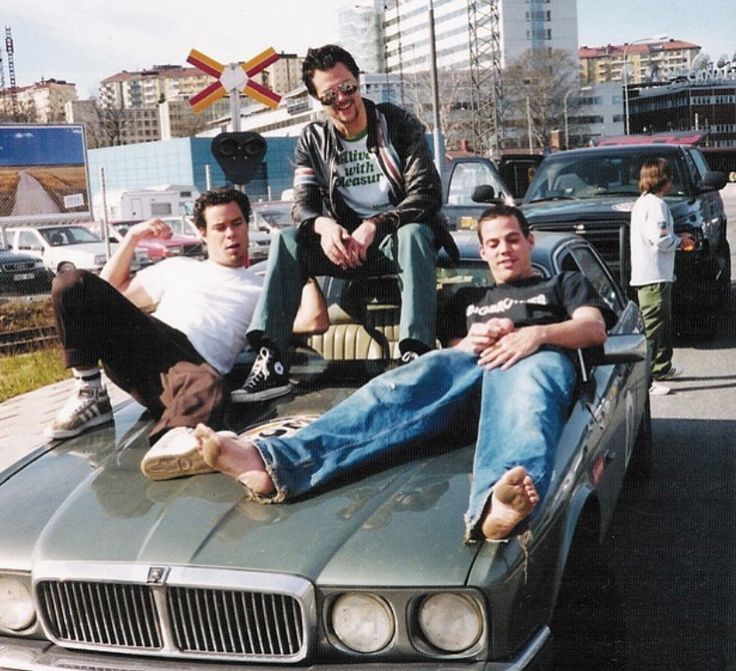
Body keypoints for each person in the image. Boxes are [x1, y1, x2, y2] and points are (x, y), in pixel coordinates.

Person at [186, 204, 616, 542]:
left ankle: (498, 501)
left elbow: (592, 327)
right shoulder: (468, 298)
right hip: (471, 374)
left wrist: (535, 335)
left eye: (513, 240)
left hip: (533, 368)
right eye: (494, 243)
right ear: (483, 252)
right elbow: (444, 356)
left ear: (529, 241)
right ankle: (274, 463)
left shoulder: (561, 284)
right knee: (396, 386)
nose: (505, 249)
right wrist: (468, 343)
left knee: (528, 380)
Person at [233, 43, 456, 403]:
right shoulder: (313, 139)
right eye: (329, 95)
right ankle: (272, 360)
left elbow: (427, 195)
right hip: (346, 247)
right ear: (317, 101)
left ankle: (416, 352)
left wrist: (375, 226)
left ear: (359, 82)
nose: (342, 100)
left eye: (347, 87)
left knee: (414, 232)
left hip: (394, 242)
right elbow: (303, 206)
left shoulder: (398, 124)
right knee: (288, 240)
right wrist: (324, 227)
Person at [45, 188, 263, 472]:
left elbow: (311, 322)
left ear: (247, 225)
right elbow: (103, 294)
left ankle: (169, 443)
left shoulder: (260, 287)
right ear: (202, 233)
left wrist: (300, 271)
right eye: (220, 227)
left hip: (191, 372)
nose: (231, 234)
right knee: (73, 283)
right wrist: (132, 238)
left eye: (237, 224)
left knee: (212, 387)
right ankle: (90, 393)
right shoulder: (178, 267)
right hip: (149, 343)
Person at [629, 158, 695, 396]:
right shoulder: (657, 206)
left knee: (661, 324)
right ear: (663, 180)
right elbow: (660, 239)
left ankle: (661, 366)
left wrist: (676, 237)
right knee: (653, 328)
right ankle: (648, 378)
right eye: (669, 177)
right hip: (653, 276)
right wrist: (682, 242)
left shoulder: (643, 203)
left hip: (654, 275)